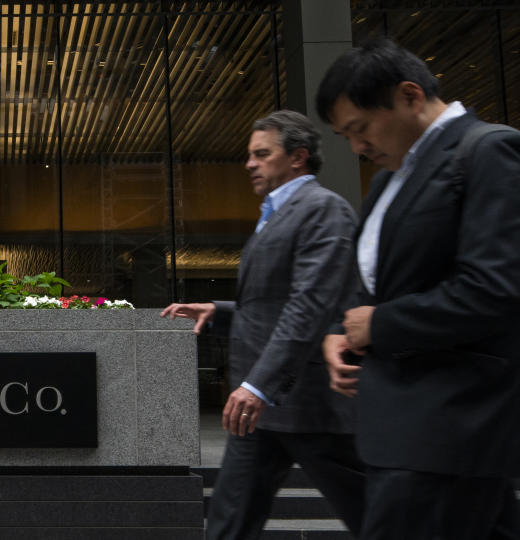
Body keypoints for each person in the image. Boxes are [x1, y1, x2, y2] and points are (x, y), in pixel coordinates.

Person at [315, 37, 520, 539]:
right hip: (404, 430)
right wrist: (343, 330)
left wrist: (380, 325)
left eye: (359, 129)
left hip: (451, 429)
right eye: (345, 136)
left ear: (410, 96)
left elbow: (497, 288)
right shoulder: (389, 181)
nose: (358, 148)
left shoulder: (490, 150)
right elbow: (380, 284)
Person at [162, 110, 365, 539]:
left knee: (375, 516)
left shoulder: (324, 210)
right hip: (260, 411)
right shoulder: (275, 213)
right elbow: (277, 305)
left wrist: (259, 385)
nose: (249, 163)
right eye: (250, 155)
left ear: (298, 157)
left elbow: (310, 306)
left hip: (307, 406)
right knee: (229, 523)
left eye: (261, 154)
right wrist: (221, 311)